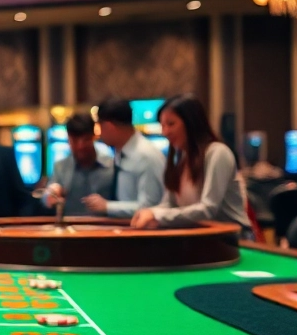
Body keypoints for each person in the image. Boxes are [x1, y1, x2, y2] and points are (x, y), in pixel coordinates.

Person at [131, 94, 253, 237]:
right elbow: (169, 204)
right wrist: (150, 212)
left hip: (234, 240)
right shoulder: (181, 158)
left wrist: (157, 216)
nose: (165, 132)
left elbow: (208, 209)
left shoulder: (217, 153)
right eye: (162, 126)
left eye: (171, 124)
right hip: (201, 238)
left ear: (191, 123)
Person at [89, 97, 166, 218]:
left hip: (141, 229)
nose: (100, 134)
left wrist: (107, 206)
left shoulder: (146, 156)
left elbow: (150, 206)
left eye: (100, 127)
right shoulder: (120, 152)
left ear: (109, 126)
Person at [43, 113, 113, 217]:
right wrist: (50, 196)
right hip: (70, 226)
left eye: (86, 140)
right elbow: (46, 196)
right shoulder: (60, 167)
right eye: (75, 141)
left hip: (105, 225)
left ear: (94, 136)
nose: (80, 146)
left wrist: (107, 205)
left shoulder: (111, 165)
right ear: (68, 139)